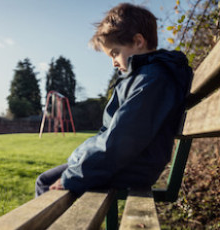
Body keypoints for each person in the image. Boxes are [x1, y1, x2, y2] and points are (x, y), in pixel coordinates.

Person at [35, 3, 193, 197]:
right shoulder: (140, 77)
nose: (114, 62)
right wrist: (79, 160)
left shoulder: (152, 80)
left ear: (138, 41)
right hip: (125, 163)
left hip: (131, 167)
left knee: (46, 184)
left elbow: (123, 140)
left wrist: (73, 176)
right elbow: (112, 135)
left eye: (115, 52)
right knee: (47, 179)